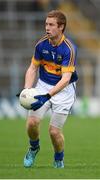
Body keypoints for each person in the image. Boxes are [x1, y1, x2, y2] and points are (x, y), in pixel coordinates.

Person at [21, 10, 78, 168]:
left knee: (54, 132)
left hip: (64, 91)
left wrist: (47, 96)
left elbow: (66, 79)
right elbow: (33, 68)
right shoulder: (41, 44)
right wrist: (27, 90)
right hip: (43, 85)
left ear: (61, 27)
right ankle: (33, 148)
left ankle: (59, 159)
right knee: (32, 123)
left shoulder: (69, 49)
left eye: (51, 25)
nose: (47, 27)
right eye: (46, 24)